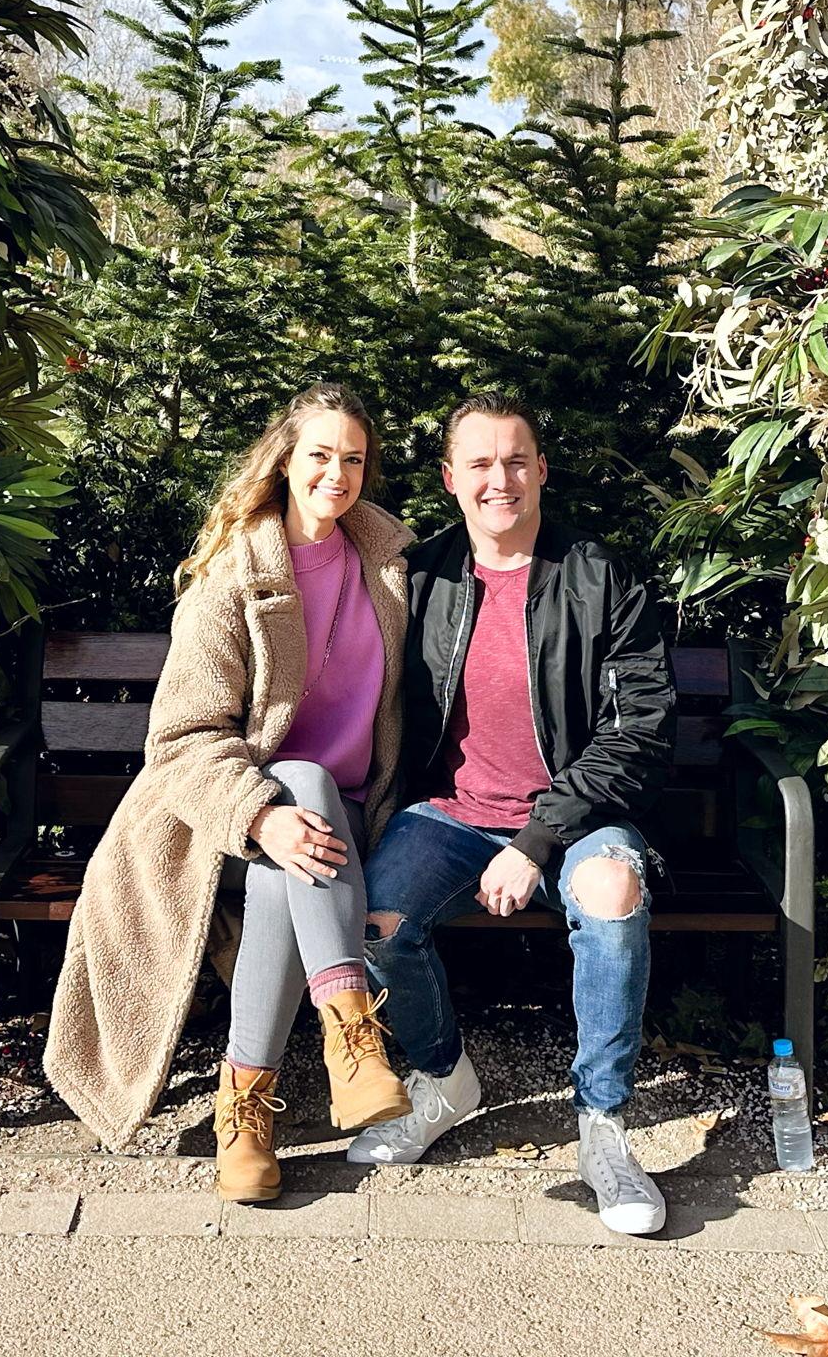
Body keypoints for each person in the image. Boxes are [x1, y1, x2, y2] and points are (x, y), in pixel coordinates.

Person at [43, 383, 415, 1201]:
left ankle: (244, 1113)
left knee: (304, 822)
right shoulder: (234, 575)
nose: (337, 474)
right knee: (297, 803)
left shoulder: (386, 566)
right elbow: (181, 739)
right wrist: (258, 814)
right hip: (221, 817)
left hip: (349, 816)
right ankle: (352, 1039)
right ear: (284, 461)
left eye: (354, 459)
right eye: (321, 455)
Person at [349, 391, 677, 1235]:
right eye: (482, 464)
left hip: (578, 816)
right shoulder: (420, 578)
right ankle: (442, 1081)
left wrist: (536, 839)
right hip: (454, 815)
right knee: (376, 917)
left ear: (541, 471)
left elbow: (640, 728)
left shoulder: (599, 578)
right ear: (451, 479)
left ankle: (602, 1128)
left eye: (516, 461)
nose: (501, 479)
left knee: (611, 891)